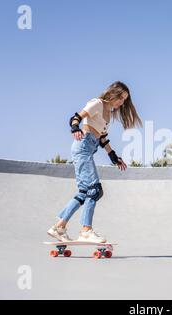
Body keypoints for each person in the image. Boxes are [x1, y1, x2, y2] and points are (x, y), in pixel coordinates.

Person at [47, 81, 142, 242]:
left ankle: (59, 227)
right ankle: (86, 231)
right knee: (95, 190)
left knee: (85, 192)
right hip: (83, 146)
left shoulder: (108, 113)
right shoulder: (96, 103)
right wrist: (75, 128)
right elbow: (76, 117)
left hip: (89, 149)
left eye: (124, 100)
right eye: (121, 98)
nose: (122, 102)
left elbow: (102, 138)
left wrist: (114, 156)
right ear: (113, 93)